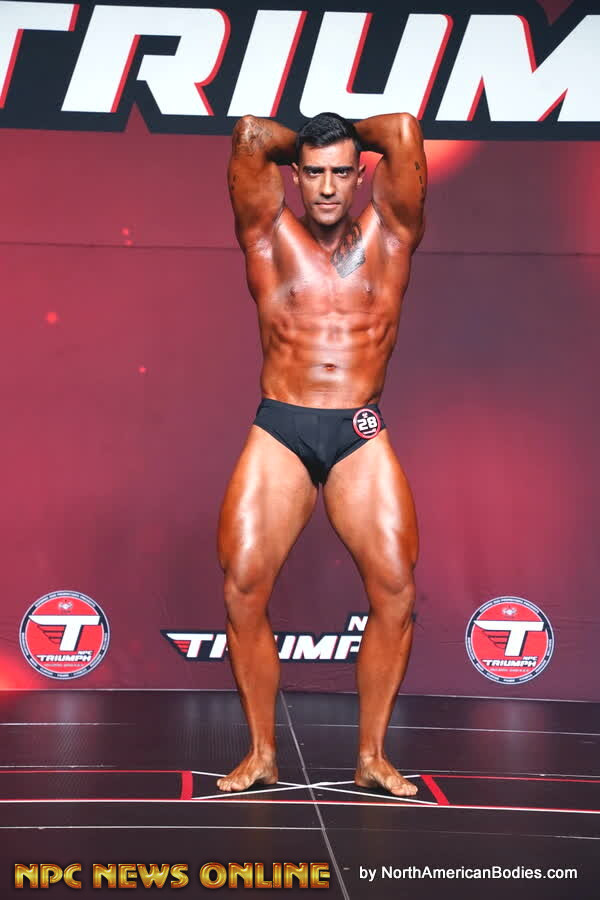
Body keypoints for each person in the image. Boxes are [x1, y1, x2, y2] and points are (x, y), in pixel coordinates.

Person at [216, 111, 426, 796]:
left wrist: (341, 137)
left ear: (361, 174)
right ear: (296, 176)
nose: (328, 187)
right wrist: (310, 136)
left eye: (341, 172)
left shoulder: (390, 233)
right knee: (243, 585)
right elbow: (251, 136)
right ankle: (261, 753)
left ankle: (372, 756)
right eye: (313, 172)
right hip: (282, 425)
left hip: (357, 431)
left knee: (396, 591)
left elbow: (402, 129)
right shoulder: (268, 233)